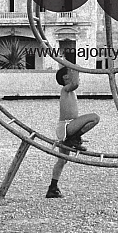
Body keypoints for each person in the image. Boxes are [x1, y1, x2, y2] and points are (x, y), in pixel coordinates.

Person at [47, 66, 100, 199]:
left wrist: (73, 70)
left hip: (66, 128)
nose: (76, 76)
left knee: (62, 160)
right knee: (94, 117)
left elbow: (75, 82)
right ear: (66, 77)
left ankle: (52, 187)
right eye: (71, 74)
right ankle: (74, 138)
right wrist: (75, 67)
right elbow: (75, 83)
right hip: (67, 127)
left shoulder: (69, 91)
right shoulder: (66, 89)